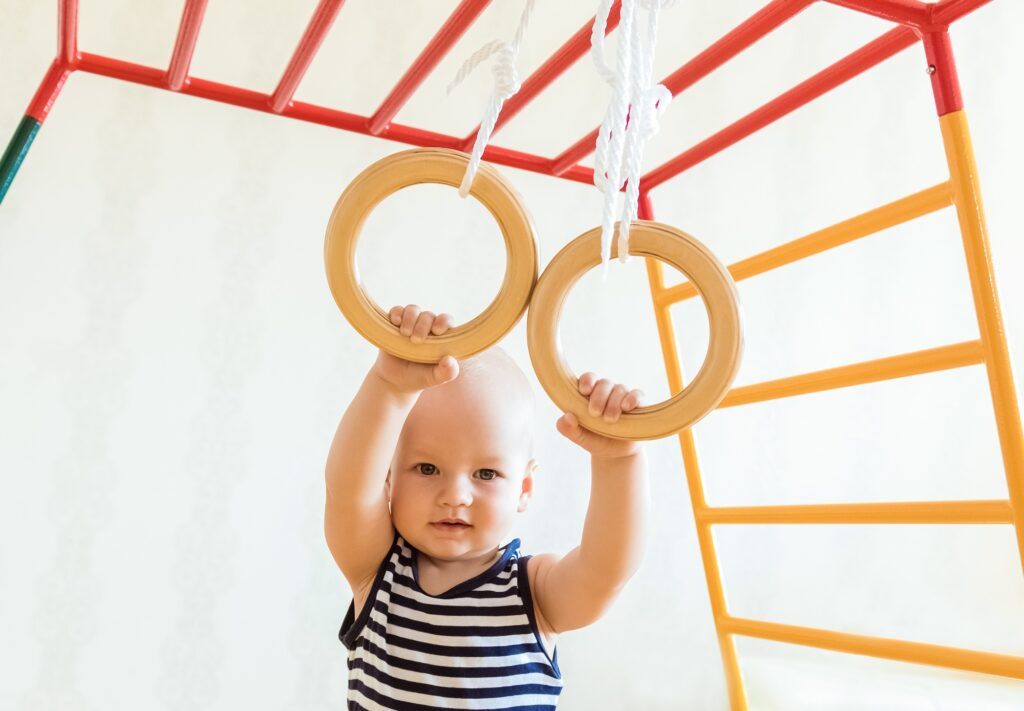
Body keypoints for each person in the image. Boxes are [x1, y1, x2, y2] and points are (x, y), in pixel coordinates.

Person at [325, 304, 651, 709]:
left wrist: (619, 462)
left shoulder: (534, 594)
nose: (455, 495)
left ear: (523, 488)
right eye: (427, 468)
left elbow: (605, 571)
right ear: (388, 478)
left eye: (485, 474)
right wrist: (388, 385)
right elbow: (348, 491)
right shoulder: (376, 572)